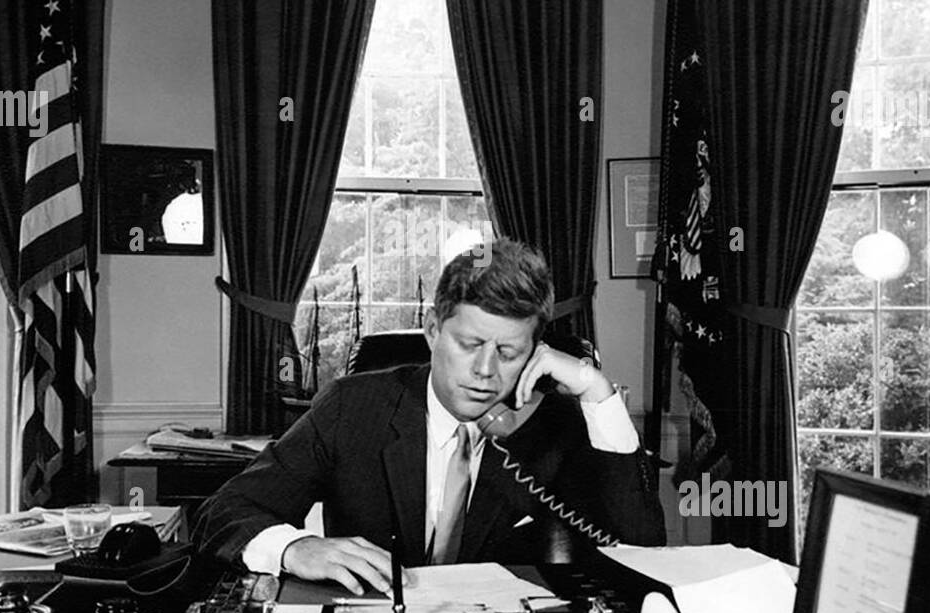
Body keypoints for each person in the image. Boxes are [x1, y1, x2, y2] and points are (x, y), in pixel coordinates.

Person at [193, 238, 665, 593]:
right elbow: (224, 512)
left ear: (534, 354)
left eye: (508, 351)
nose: (485, 371)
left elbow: (643, 545)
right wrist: (295, 548)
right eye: (470, 345)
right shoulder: (352, 407)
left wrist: (598, 393)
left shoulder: (557, 424)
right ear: (433, 330)